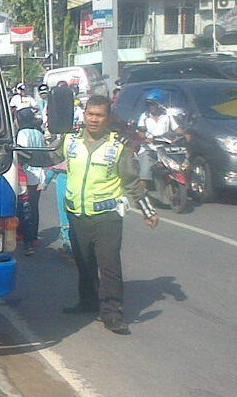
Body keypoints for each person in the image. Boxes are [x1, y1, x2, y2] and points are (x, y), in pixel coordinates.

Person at [42, 95, 159, 334]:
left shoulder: (117, 146)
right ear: (83, 114)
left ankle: (112, 313)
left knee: (109, 266)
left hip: (107, 217)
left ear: (108, 118)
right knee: (84, 264)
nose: (94, 120)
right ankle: (88, 302)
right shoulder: (69, 141)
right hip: (76, 214)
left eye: (100, 115)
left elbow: (131, 181)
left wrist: (148, 211)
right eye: (90, 114)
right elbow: (46, 157)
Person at [15, 107, 46, 255]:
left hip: (26, 174)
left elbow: (22, 153)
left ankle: (25, 238)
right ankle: (33, 236)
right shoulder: (38, 133)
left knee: (24, 207)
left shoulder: (22, 133)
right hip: (39, 174)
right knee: (34, 207)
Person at [135, 88, 182, 183]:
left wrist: (183, 135)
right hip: (148, 149)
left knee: (180, 167)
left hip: (166, 149)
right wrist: (146, 139)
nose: (151, 106)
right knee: (144, 174)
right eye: (149, 104)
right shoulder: (144, 116)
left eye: (154, 104)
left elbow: (177, 129)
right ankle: (142, 194)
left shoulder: (167, 116)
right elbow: (140, 131)